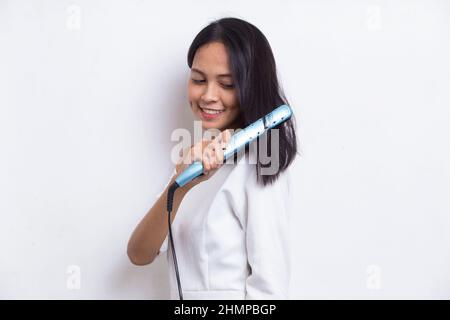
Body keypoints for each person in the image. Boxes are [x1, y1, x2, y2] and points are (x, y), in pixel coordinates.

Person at [127, 17, 298, 300]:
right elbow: (139, 253)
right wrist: (180, 185)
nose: (208, 95)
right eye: (198, 80)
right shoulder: (194, 159)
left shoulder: (263, 165)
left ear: (251, 87)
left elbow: (270, 292)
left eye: (227, 84)